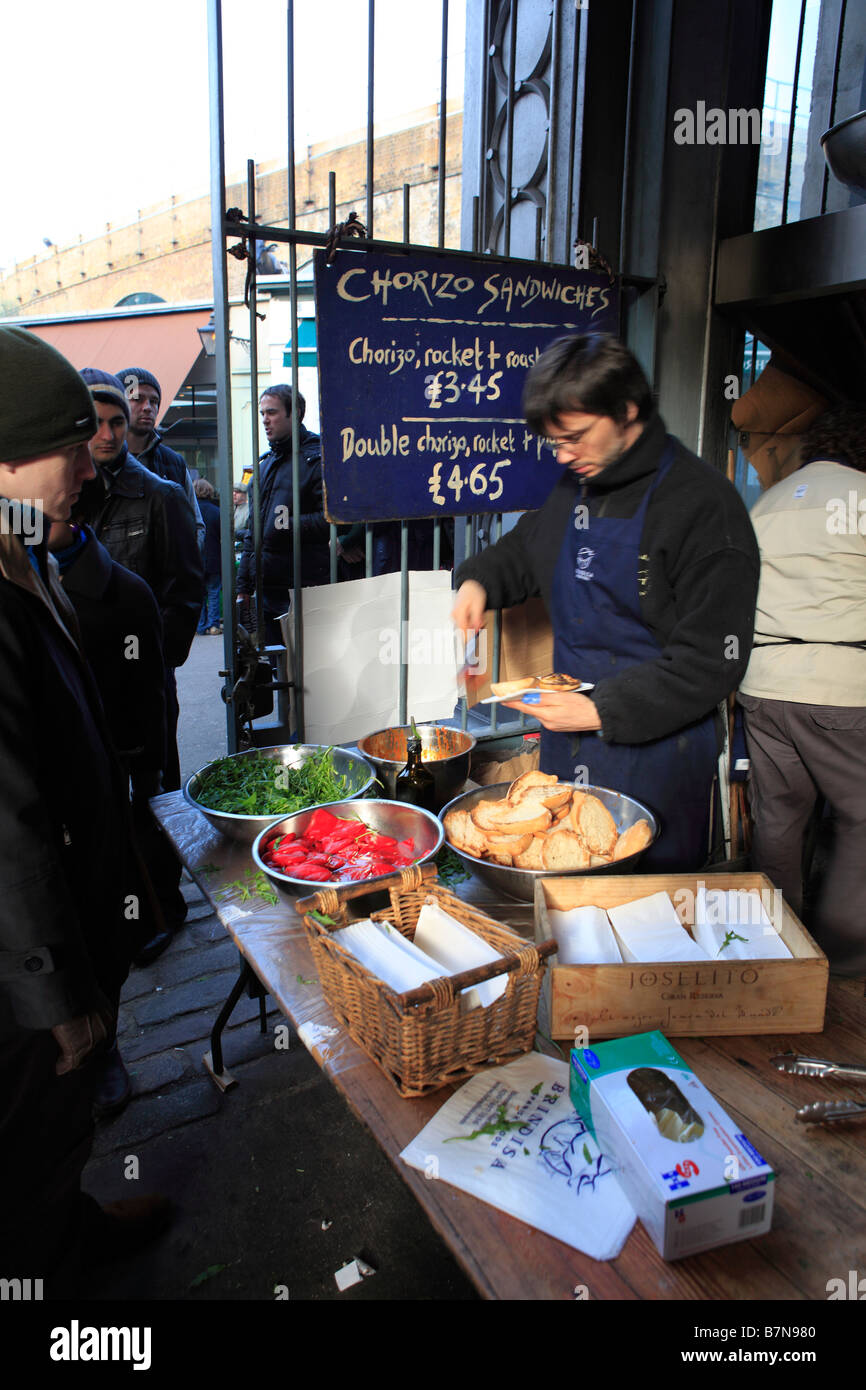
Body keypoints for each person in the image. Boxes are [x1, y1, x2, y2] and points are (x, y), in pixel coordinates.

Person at [452, 333, 760, 870]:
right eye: (554, 443)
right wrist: (478, 582)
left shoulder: (704, 505)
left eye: (575, 437)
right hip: (565, 744)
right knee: (563, 892)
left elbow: (714, 658)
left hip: (657, 750)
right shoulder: (576, 486)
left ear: (627, 410)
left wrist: (599, 709)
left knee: (647, 914)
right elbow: (527, 549)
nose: (565, 456)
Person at [0, 327, 170, 1281]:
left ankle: (71, 1228)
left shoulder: (29, 546)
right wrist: (56, 998)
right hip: (22, 979)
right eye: (68, 449)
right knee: (24, 1155)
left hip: (79, 913)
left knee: (59, 1144)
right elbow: (5, 826)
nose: (89, 467)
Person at [73, 367, 203, 958]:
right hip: (84, 680)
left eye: (116, 421)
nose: (106, 433)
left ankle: (162, 908)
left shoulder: (161, 495)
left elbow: (184, 594)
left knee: (154, 796)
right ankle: (123, 904)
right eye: (95, 423)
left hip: (143, 682)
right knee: (99, 800)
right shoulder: (66, 497)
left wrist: (155, 665)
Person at [737, 407, 866, 976]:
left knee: (779, 820)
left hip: (765, 686)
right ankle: (843, 961)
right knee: (861, 819)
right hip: (843, 689)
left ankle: (778, 953)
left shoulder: (770, 502)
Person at [237, 383, 329, 644]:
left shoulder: (316, 458)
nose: (265, 420)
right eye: (262, 413)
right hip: (267, 588)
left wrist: (287, 524)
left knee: (308, 667)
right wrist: (243, 587)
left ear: (296, 413)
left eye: (272, 413)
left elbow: (332, 518)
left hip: (304, 586)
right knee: (277, 667)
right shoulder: (264, 466)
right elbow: (252, 531)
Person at [116, 364, 205, 549]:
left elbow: (196, 525)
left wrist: (185, 567)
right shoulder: (100, 460)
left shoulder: (174, 463)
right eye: (137, 399)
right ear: (118, 403)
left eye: (154, 401)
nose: (148, 407)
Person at [194, 476, 222, 634]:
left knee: (199, 594)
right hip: (213, 558)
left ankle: (201, 625)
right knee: (213, 593)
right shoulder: (216, 511)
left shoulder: (189, 510)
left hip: (195, 559)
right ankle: (213, 625)